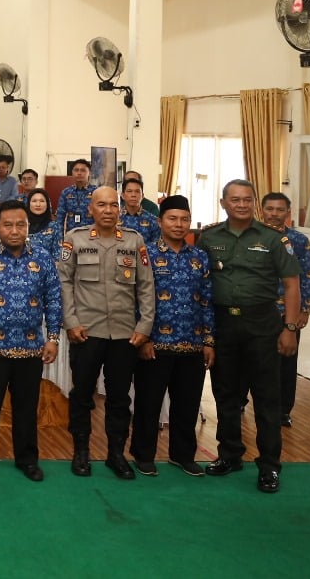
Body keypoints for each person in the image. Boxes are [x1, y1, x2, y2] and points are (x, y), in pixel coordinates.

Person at [198, 180, 299, 493]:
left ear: (253, 202)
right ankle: (229, 455)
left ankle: (269, 466)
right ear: (223, 202)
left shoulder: (272, 239)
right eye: (234, 200)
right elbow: (200, 282)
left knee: (267, 398)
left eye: (246, 200)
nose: (241, 205)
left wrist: (290, 328)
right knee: (226, 394)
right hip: (224, 325)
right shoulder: (208, 237)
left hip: (262, 326)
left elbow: (292, 284)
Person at [59, 187, 156, 480]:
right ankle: (81, 452)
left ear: (120, 209)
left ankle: (116, 454)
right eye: (101, 205)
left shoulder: (134, 240)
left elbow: (146, 286)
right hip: (86, 333)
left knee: (119, 398)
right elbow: (64, 282)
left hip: (124, 335)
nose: (108, 210)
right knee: (81, 396)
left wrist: (144, 326)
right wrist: (71, 322)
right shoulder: (74, 239)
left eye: (113, 205)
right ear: (91, 209)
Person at [0, 200, 63, 481]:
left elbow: (54, 300)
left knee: (27, 409)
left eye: (21, 224)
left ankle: (27, 460)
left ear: (28, 227)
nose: (15, 230)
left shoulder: (42, 258)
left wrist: (53, 338)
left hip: (31, 349)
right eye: (8, 225)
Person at [129, 195, 215, 477]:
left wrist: (208, 340)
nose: (179, 225)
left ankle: (183, 455)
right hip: (154, 344)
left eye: (184, 219)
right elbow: (134, 299)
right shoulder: (146, 254)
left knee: (187, 405)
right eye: (172, 219)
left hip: (191, 344)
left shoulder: (199, 257)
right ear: (160, 221)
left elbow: (206, 301)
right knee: (148, 403)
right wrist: (144, 337)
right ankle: (143, 455)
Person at [259, 192, 310, 427]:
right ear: (261, 210)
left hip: (288, 313)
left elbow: (308, 275)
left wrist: (306, 310)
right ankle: (242, 401)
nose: (274, 214)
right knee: (251, 360)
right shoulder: (252, 236)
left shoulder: (299, 240)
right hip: (257, 312)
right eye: (270, 209)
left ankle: (283, 410)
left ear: (288, 213)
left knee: (286, 363)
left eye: (279, 210)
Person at [56, 159, 96, 235]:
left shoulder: (96, 192)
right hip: (72, 234)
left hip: (91, 235)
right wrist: (59, 238)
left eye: (83, 170)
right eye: (76, 170)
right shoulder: (66, 192)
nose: (79, 173)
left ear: (89, 173)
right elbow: (60, 218)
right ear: (72, 172)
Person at [120, 178, 161, 246]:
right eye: (129, 191)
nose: (133, 195)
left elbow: (156, 246)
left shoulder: (152, 220)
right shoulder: (114, 218)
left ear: (143, 196)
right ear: (123, 195)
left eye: (137, 191)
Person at [25, 188, 58, 256]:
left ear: (47, 204)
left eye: (42, 201)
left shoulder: (55, 227)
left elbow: (58, 255)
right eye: (34, 201)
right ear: (28, 204)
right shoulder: (21, 226)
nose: (38, 204)